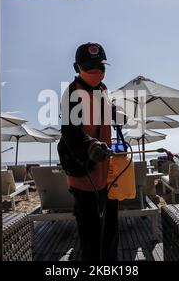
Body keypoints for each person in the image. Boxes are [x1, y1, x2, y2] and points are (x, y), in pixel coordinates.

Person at [58, 42, 125, 261]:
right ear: (77, 68)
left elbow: (102, 113)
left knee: (111, 235)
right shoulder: (72, 94)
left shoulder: (103, 90)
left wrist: (116, 113)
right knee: (91, 239)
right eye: (90, 67)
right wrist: (89, 145)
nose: (97, 72)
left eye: (100, 67)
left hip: (107, 176)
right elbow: (70, 131)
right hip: (83, 177)